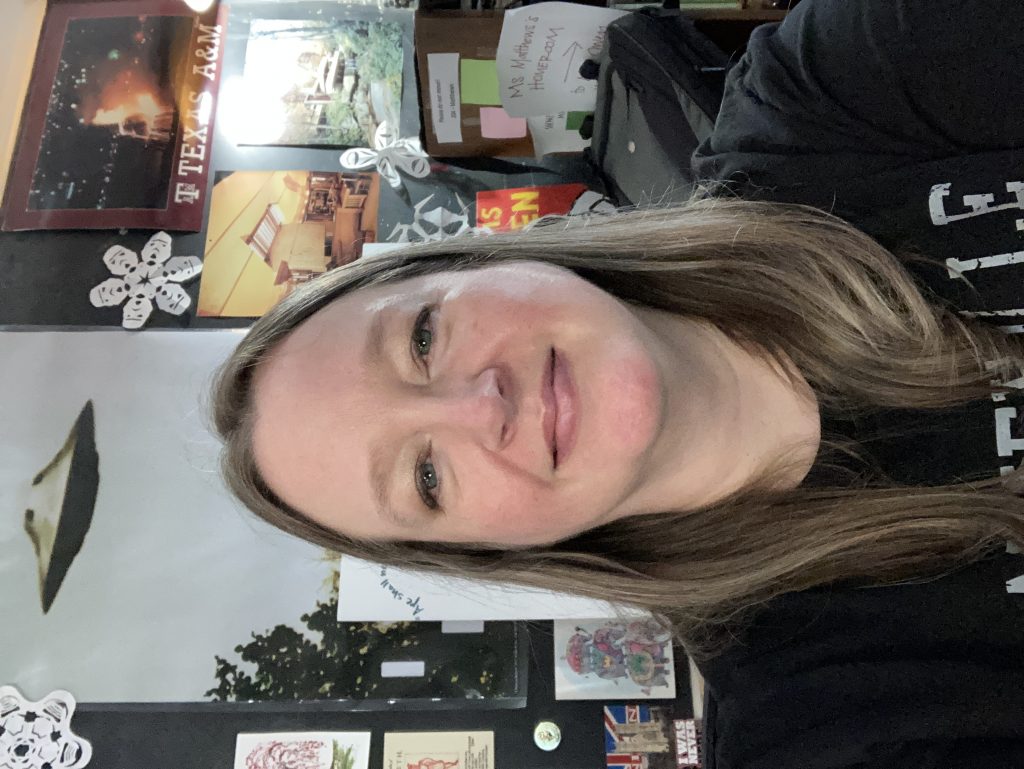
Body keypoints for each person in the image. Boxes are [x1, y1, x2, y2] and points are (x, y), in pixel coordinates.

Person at [212, 0, 1024, 765]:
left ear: (480, 257)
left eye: (422, 337)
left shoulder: (822, 101)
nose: (480, 405)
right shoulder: (815, 726)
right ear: (489, 550)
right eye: (425, 476)